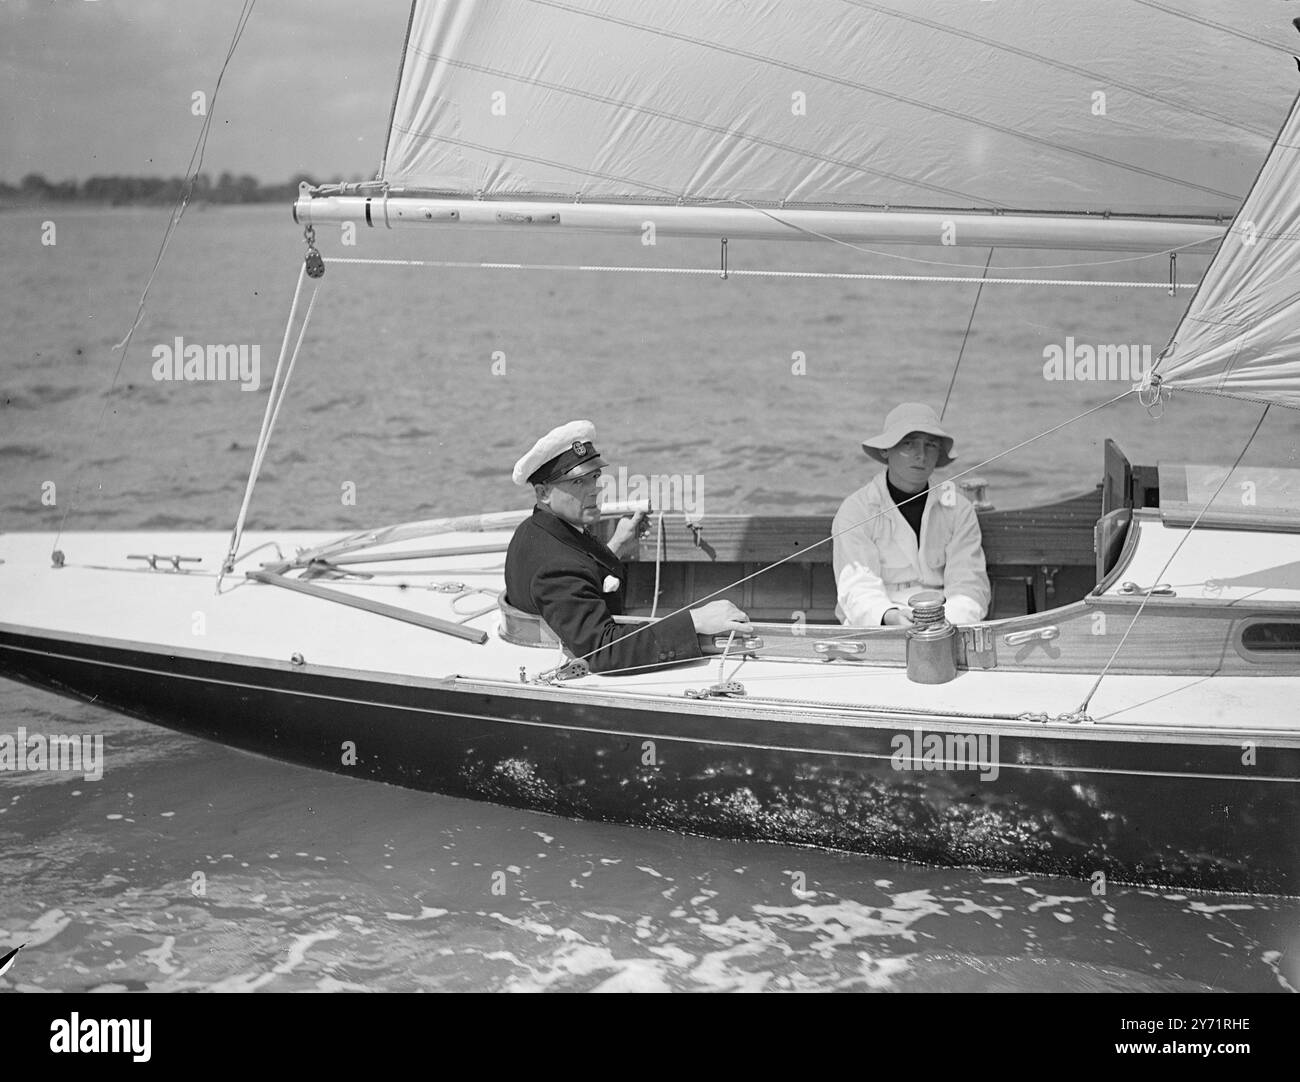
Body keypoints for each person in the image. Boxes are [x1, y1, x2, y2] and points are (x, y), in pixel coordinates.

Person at [503, 420, 750, 673]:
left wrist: (616, 546)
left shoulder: (533, 529)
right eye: (578, 483)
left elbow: (576, 576)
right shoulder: (556, 567)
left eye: (595, 477)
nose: (594, 490)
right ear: (543, 493)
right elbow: (603, 650)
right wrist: (695, 621)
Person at [832, 403, 990, 627]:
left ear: (938, 454)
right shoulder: (856, 510)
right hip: (878, 628)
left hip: (948, 625)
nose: (921, 455)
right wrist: (890, 616)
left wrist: (944, 624)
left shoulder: (959, 509)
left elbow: (969, 585)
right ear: (886, 450)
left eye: (931, 445)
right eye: (909, 443)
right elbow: (857, 588)